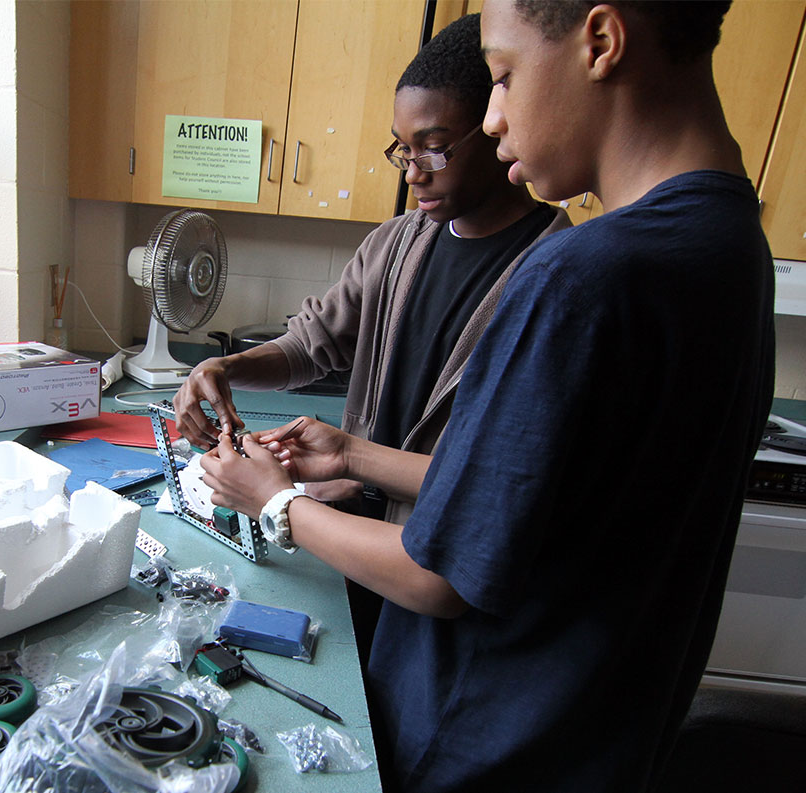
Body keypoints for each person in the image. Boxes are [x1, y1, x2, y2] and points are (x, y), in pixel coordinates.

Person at [199, 2, 775, 791]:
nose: (496, 120)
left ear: (600, 43)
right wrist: (355, 455)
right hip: (600, 741)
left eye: (503, 77)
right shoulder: (733, 245)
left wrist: (274, 501)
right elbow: (536, 502)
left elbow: (442, 574)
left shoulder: (577, 278)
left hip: (477, 743)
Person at [174, 14, 570, 520]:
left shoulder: (554, 275)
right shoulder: (393, 244)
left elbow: (499, 478)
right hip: (358, 519)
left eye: (432, 149)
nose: (412, 175)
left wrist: (317, 483)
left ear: (496, 123)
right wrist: (225, 367)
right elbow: (309, 345)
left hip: (437, 542)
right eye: (403, 150)